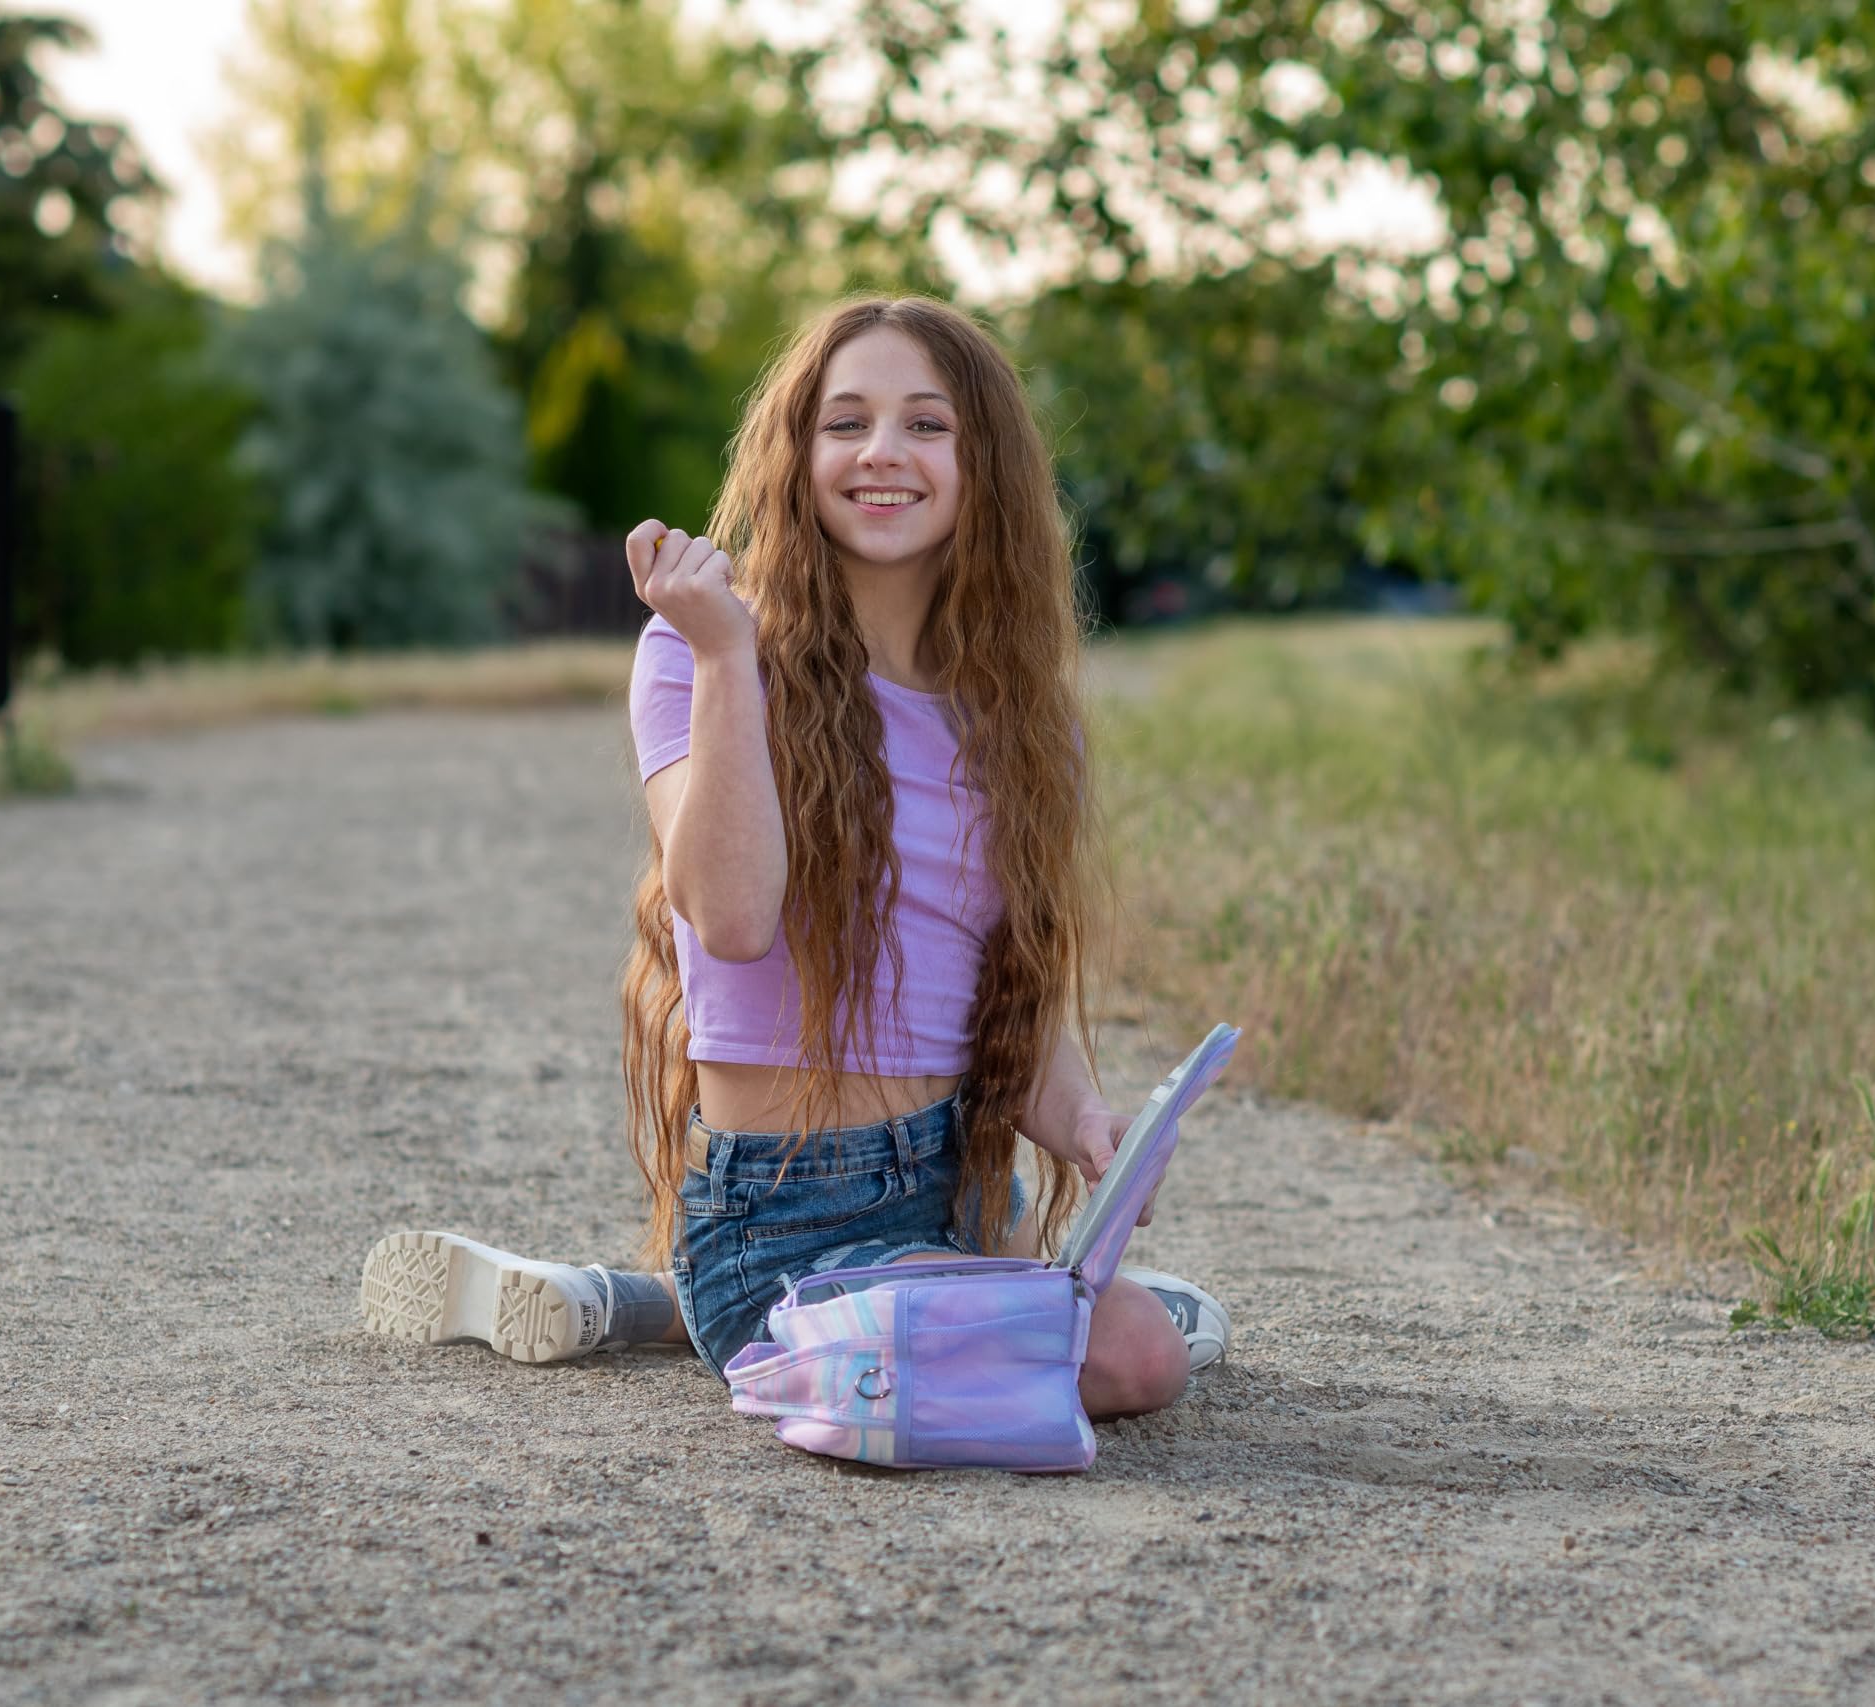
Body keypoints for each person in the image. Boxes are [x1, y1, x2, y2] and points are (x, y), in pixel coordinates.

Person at [360, 295, 1229, 1419]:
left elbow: (999, 999)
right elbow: (727, 918)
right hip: (782, 1213)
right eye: (844, 422)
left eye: (927, 425)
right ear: (795, 452)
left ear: (985, 464)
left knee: (1105, 1336)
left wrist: (1094, 1132)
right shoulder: (695, 648)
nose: (882, 454)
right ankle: (727, 1302)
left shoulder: (1017, 712)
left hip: (956, 1184)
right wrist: (729, 658)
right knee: (1136, 1358)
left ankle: (650, 1306)